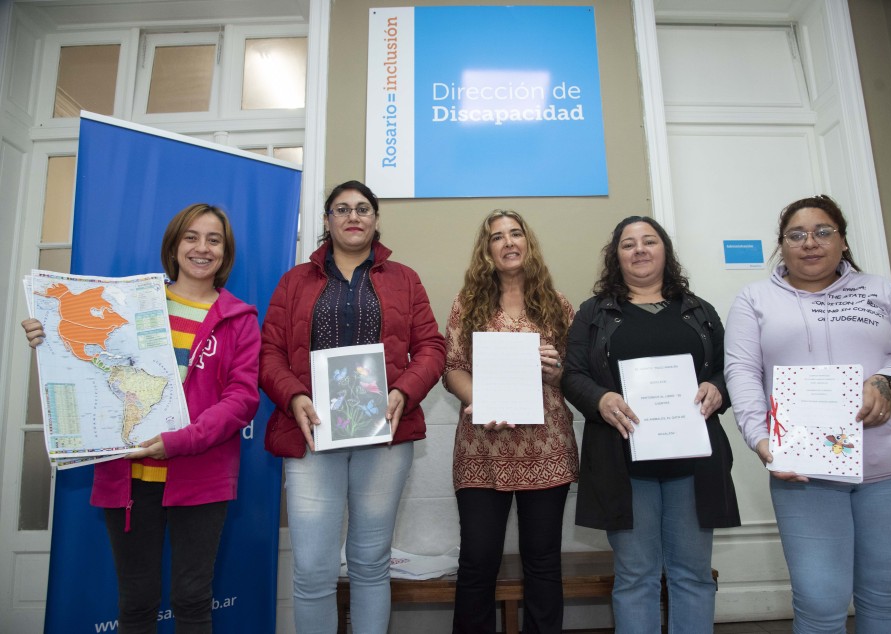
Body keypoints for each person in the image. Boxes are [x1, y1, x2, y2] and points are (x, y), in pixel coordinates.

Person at [22, 203, 261, 633]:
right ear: (174, 244)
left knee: (192, 601)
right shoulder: (129, 303)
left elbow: (242, 398)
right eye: (191, 236)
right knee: (135, 603)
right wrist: (48, 335)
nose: (201, 248)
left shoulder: (240, 320)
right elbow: (89, 357)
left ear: (226, 253)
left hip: (201, 477)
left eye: (214, 239)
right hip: (129, 476)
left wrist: (181, 441)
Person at [724, 195, 891, 633]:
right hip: (807, 474)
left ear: (843, 241)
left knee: (885, 599)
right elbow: (743, 373)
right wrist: (760, 438)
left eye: (823, 232)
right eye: (797, 234)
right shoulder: (754, 299)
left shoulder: (883, 292)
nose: (810, 242)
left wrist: (890, 380)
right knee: (819, 603)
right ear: (782, 244)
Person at [259, 180, 446, 634]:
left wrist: (404, 390)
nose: (353, 216)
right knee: (313, 572)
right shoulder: (293, 282)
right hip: (312, 437)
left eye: (363, 208)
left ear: (376, 219)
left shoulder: (405, 279)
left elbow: (432, 348)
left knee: (369, 565)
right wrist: (295, 395)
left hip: (382, 438)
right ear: (327, 222)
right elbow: (268, 355)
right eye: (341, 209)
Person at [562, 215, 740, 634]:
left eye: (649, 241)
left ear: (665, 251)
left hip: (693, 463)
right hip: (623, 464)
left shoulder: (699, 310)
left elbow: (732, 370)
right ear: (616, 256)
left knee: (692, 575)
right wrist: (599, 398)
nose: (639, 250)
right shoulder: (594, 313)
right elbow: (572, 374)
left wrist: (717, 388)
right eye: (628, 243)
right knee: (635, 577)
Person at [443, 210, 577, 634]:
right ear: (487, 251)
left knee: (542, 561)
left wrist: (557, 373)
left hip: (546, 450)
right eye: (496, 237)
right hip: (483, 450)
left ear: (528, 242)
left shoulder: (557, 306)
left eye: (515, 233)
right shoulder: (467, 305)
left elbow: (575, 375)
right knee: (478, 561)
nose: (508, 242)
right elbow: (452, 369)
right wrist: (481, 400)